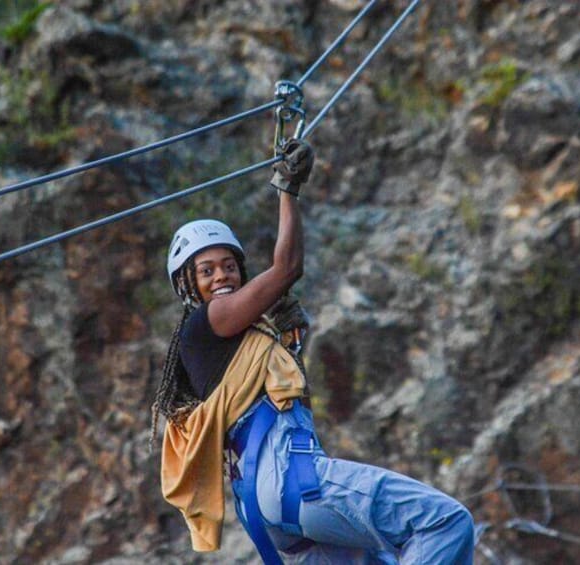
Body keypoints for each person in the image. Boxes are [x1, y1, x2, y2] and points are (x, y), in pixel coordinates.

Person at [152, 139, 475, 564]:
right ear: (187, 286)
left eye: (229, 266)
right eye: (206, 271)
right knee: (445, 522)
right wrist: (288, 189)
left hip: (271, 502)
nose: (222, 277)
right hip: (290, 478)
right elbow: (287, 269)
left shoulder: (245, 340)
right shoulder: (204, 324)